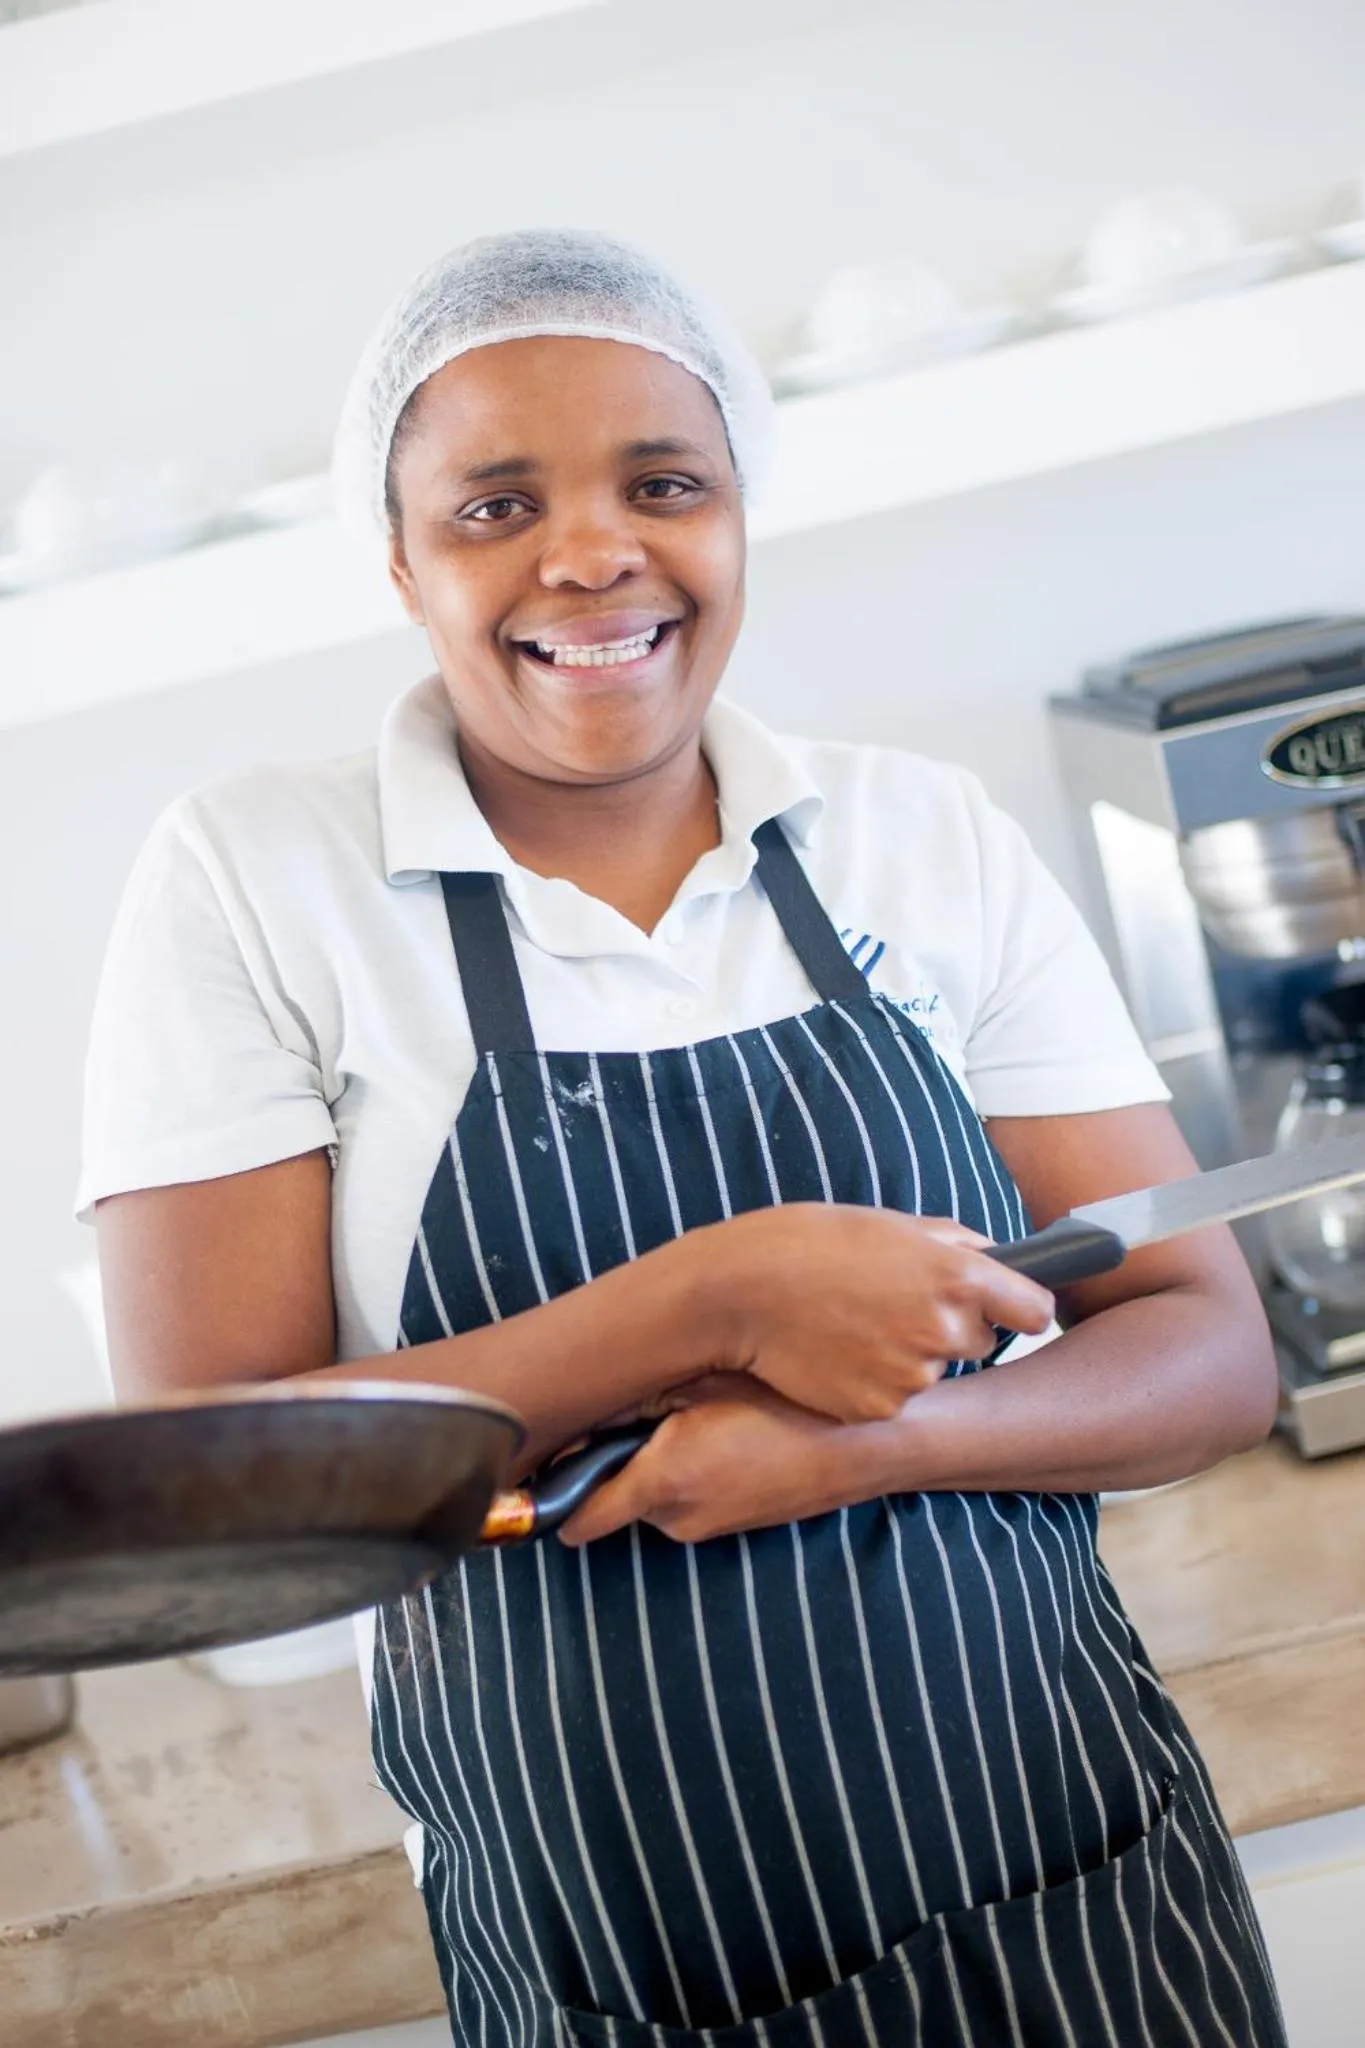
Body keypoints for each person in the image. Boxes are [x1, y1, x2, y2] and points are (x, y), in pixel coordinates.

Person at [80, 229, 1286, 2045]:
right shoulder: (259, 881)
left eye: (666, 483)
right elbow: (217, 1482)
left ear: (740, 515)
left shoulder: (920, 836)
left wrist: (877, 1449)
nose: (592, 553)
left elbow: (1208, 1351)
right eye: (496, 506)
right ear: (399, 561)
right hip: (630, 1971)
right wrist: (713, 1298)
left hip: (1080, 1902)